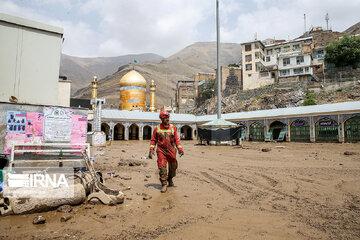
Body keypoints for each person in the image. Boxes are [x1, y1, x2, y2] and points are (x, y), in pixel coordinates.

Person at [148, 111, 184, 193]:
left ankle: (170, 178)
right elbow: (153, 140)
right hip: (161, 150)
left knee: (173, 167)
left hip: (171, 150)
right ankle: (164, 184)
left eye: (168, 118)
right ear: (161, 119)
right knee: (162, 167)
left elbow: (176, 140)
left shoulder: (172, 127)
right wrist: (151, 150)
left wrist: (180, 149)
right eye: (166, 118)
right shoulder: (157, 128)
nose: (168, 119)